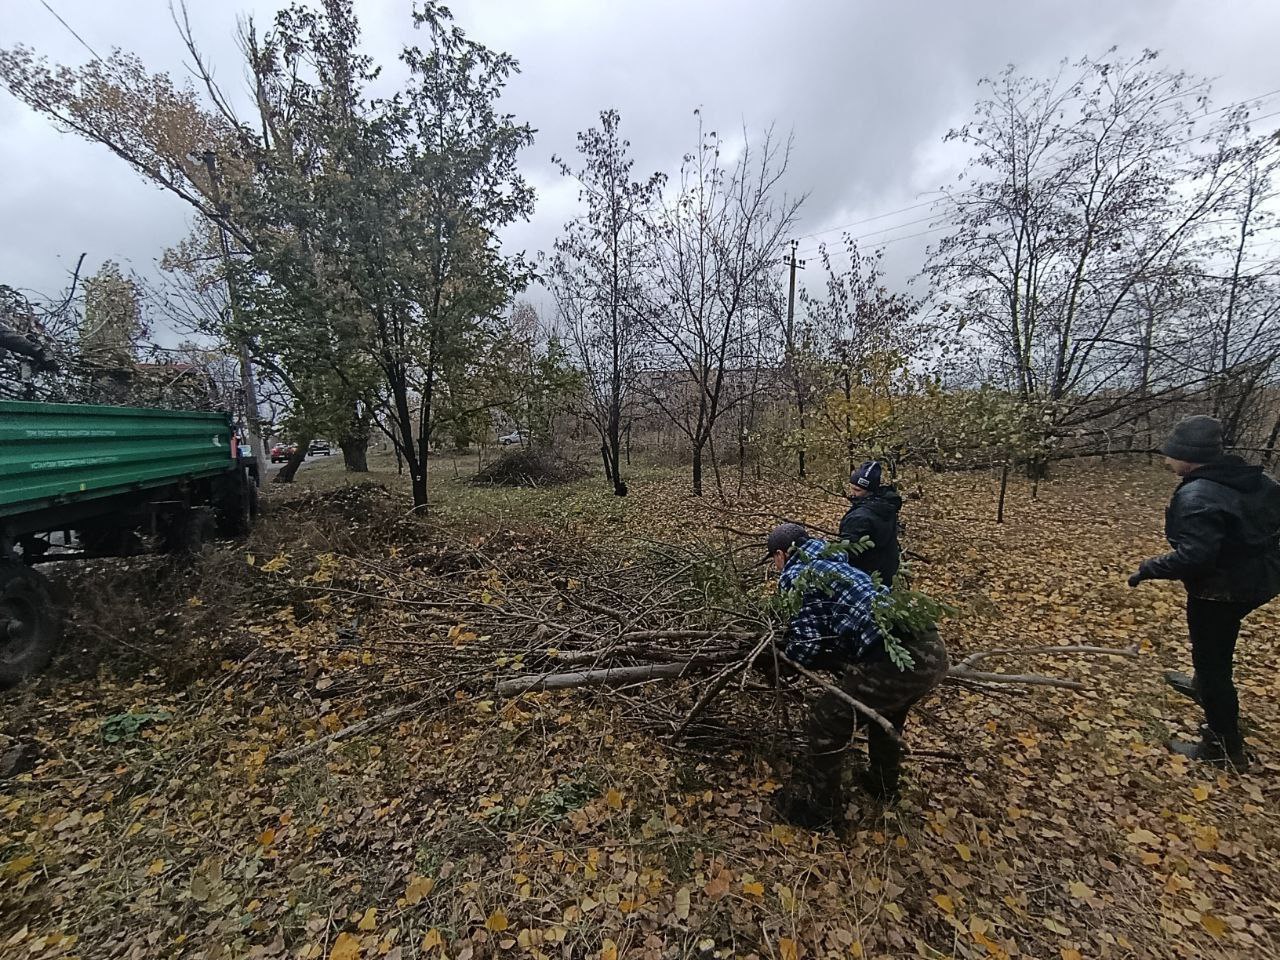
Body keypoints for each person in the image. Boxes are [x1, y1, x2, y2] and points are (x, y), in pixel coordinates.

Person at [764, 522, 948, 828]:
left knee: (825, 720)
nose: (775, 567)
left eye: (774, 560)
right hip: (931, 647)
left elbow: (807, 644)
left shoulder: (797, 575)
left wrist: (784, 658)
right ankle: (882, 785)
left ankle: (821, 812)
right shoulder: (836, 562)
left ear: (781, 555)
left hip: (898, 658)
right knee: (887, 710)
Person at [1129, 415, 1280, 769]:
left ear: (1190, 456)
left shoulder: (1197, 495)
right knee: (1215, 649)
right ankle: (1202, 685)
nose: (1167, 460)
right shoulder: (1255, 479)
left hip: (1222, 590)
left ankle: (1223, 747)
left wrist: (1148, 568)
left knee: (1214, 665)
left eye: (1171, 454)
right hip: (1261, 579)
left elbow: (1194, 557)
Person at [838, 460, 902, 586]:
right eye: (851, 488)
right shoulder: (886, 504)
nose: (852, 493)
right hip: (884, 574)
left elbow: (847, 551)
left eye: (857, 490)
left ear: (870, 490)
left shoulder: (860, 518)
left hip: (866, 578)